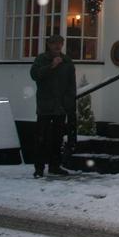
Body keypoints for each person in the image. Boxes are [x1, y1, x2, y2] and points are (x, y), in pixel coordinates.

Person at [30, 34, 76, 177]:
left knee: (57, 138)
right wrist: (51, 66)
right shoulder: (41, 60)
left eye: (60, 43)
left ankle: (55, 166)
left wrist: (68, 103)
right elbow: (35, 75)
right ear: (49, 45)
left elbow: (71, 85)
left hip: (60, 106)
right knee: (41, 138)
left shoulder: (67, 62)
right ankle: (39, 168)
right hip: (45, 105)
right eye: (54, 43)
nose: (57, 46)